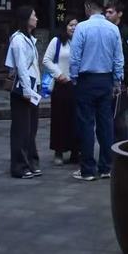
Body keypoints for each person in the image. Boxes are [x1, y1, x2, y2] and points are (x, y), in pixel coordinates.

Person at [69, 0, 124, 182]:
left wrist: (74, 78)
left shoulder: (82, 28)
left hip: (86, 80)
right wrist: (117, 81)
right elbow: (118, 58)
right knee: (106, 124)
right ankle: (106, 167)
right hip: (106, 79)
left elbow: (75, 57)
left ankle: (88, 169)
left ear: (88, 6)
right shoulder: (113, 29)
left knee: (86, 124)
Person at [4, 5, 43, 179]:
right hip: (23, 89)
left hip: (33, 87)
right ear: (26, 18)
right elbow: (21, 67)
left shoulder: (29, 39)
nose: (36, 18)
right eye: (34, 15)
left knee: (31, 128)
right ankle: (19, 166)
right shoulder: (18, 40)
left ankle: (31, 161)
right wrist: (27, 90)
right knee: (21, 128)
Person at [42, 17, 79, 165]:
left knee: (76, 119)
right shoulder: (57, 41)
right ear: (65, 26)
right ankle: (59, 152)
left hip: (77, 85)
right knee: (59, 119)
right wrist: (58, 74)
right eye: (71, 25)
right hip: (61, 84)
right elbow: (46, 60)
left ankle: (76, 151)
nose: (73, 28)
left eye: (76, 25)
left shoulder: (81, 41)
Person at [106, 0, 128, 142]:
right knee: (109, 115)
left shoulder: (127, 32)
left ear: (119, 14)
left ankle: (127, 145)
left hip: (123, 80)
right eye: (106, 12)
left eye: (110, 12)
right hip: (107, 78)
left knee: (122, 115)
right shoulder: (106, 30)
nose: (107, 15)